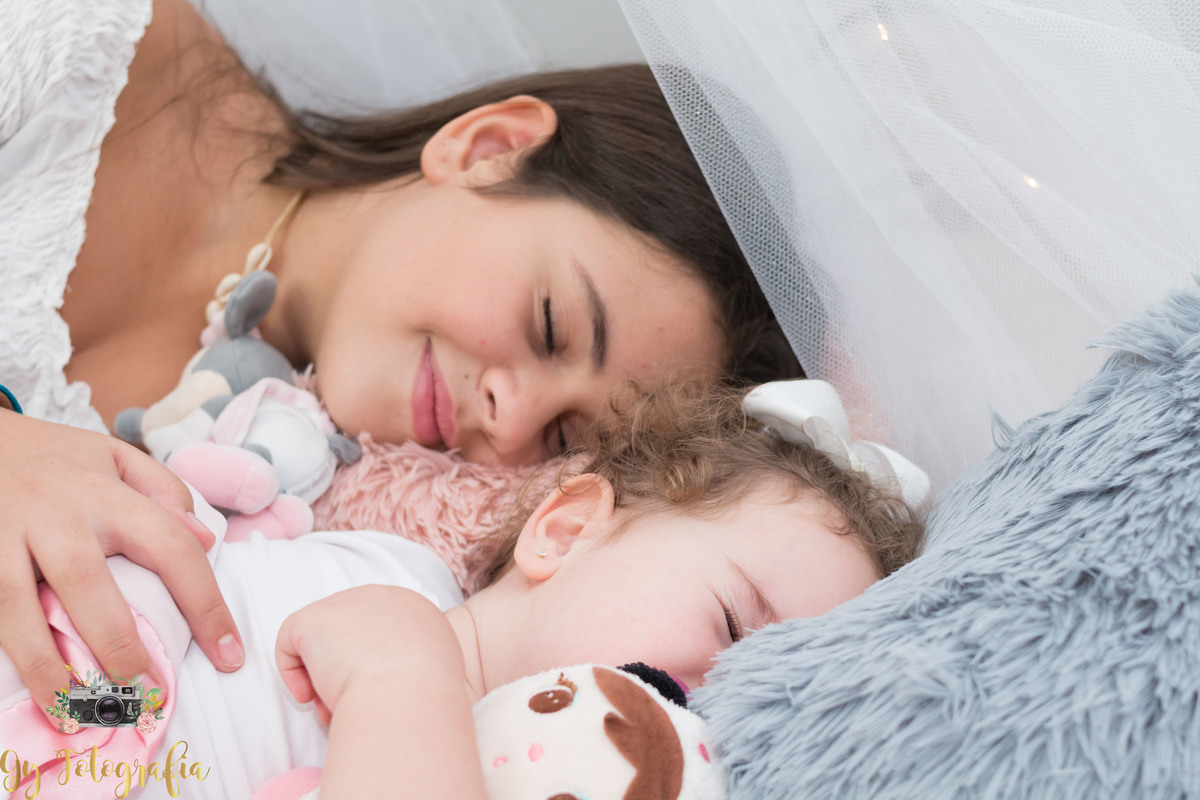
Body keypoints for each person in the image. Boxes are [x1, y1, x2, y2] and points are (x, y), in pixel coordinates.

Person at [0, 0, 801, 718]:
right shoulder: (94, 54)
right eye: (550, 325)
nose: (512, 420)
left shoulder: (305, 516)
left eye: (564, 438)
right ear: (487, 146)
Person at [0, 383, 923, 798]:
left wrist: (404, 679)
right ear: (564, 531)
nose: (716, 687)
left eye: (760, 697)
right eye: (731, 623)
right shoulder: (388, 566)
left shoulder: (546, 772)